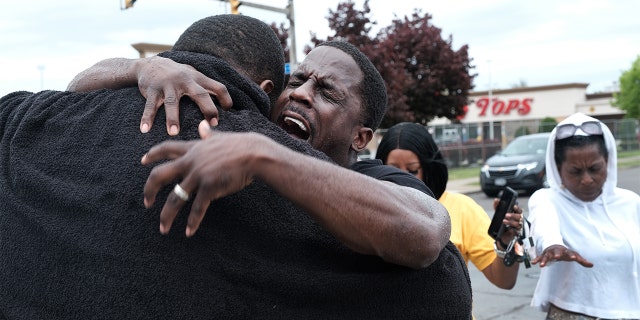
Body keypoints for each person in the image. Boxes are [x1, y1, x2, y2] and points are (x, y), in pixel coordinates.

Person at [1, 15, 472, 320]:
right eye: (298, 78)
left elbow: (428, 234)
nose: (302, 93)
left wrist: (262, 154)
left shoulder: (373, 179)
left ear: (361, 138)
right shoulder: (209, 125)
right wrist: (141, 68)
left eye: (327, 93)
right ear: (269, 89)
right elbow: (70, 88)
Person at [375, 122, 525, 290]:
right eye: (393, 170)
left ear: (428, 169)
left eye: (412, 170)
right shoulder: (368, 209)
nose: (402, 178)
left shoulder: (462, 208)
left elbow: (503, 281)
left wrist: (505, 243)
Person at [528, 112, 640, 319]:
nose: (587, 179)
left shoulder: (630, 202)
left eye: (594, 168)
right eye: (575, 171)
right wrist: (553, 244)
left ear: (607, 161)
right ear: (558, 169)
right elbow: (544, 224)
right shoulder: (547, 199)